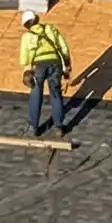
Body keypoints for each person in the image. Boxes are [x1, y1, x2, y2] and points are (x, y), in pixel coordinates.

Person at [19, 8, 72, 136]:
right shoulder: (50, 29)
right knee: (55, 94)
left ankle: (34, 127)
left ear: (26, 25)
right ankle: (59, 127)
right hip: (55, 65)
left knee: (36, 94)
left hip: (39, 67)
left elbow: (24, 59)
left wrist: (26, 71)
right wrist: (67, 66)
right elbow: (64, 47)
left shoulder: (27, 37)